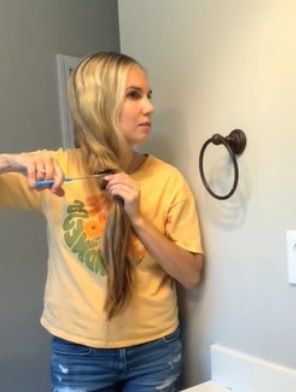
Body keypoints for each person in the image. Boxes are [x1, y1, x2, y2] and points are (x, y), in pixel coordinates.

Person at [0, 52, 203, 391]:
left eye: (148, 96)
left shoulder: (168, 180)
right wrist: (9, 161)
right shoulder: (54, 171)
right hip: (79, 354)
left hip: (155, 352)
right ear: (100, 103)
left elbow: (191, 276)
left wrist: (138, 219)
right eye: (134, 95)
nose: (149, 107)